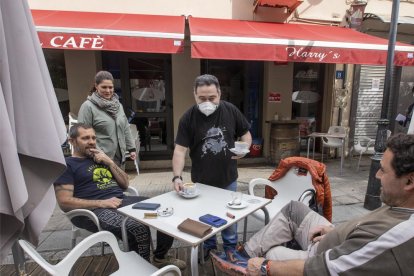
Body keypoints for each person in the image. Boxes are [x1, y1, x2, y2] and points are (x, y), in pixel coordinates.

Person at [212, 133, 414, 275]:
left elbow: (326, 268)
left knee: (270, 254)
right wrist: (333, 231)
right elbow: (365, 229)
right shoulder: (401, 203)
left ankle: (247, 262)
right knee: (294, 208)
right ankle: (243, 255)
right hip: (333, 239)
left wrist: (265, 266)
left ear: (409, 181)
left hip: (322, 255)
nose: (377, 176)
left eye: (383, 170)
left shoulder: (397, 235)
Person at [54, 123, 186, 270]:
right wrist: (101, 203)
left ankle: (160, 257)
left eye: (93, 137)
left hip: (121, 201)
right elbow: (64, 201)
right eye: (85, 138)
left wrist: (110, 162)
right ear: (72, 141)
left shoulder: (101, 158)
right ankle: (142, 269)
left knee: (167, 210)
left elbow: (124, 184)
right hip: (92, 210)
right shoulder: (67, 165)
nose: (91, 141)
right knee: (136, 227)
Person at [172, 74, 252, 259]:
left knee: (229, 218)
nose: (207, 102)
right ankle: (208, 247)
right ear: (194, 95)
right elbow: (179, 151)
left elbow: (246, 134)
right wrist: (177, 177)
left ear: (219, 94)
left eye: (211, 98)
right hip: (201, 182)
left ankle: (230, 248)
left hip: (228, 178)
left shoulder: (230, 111)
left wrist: (245, 147)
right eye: (202, 98)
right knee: (205, 218)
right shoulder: (188, 118)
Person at [78, 70, 136, 166]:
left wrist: (131, 148)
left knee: (121, 181)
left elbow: (125, 127)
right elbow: (83, 135)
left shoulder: (118, 105)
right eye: (104, 87)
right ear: (96, 86)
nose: (108, 91)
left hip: (120, 158)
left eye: (110, 87)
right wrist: (98, 155)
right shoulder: (88, 107)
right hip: (99, 160)